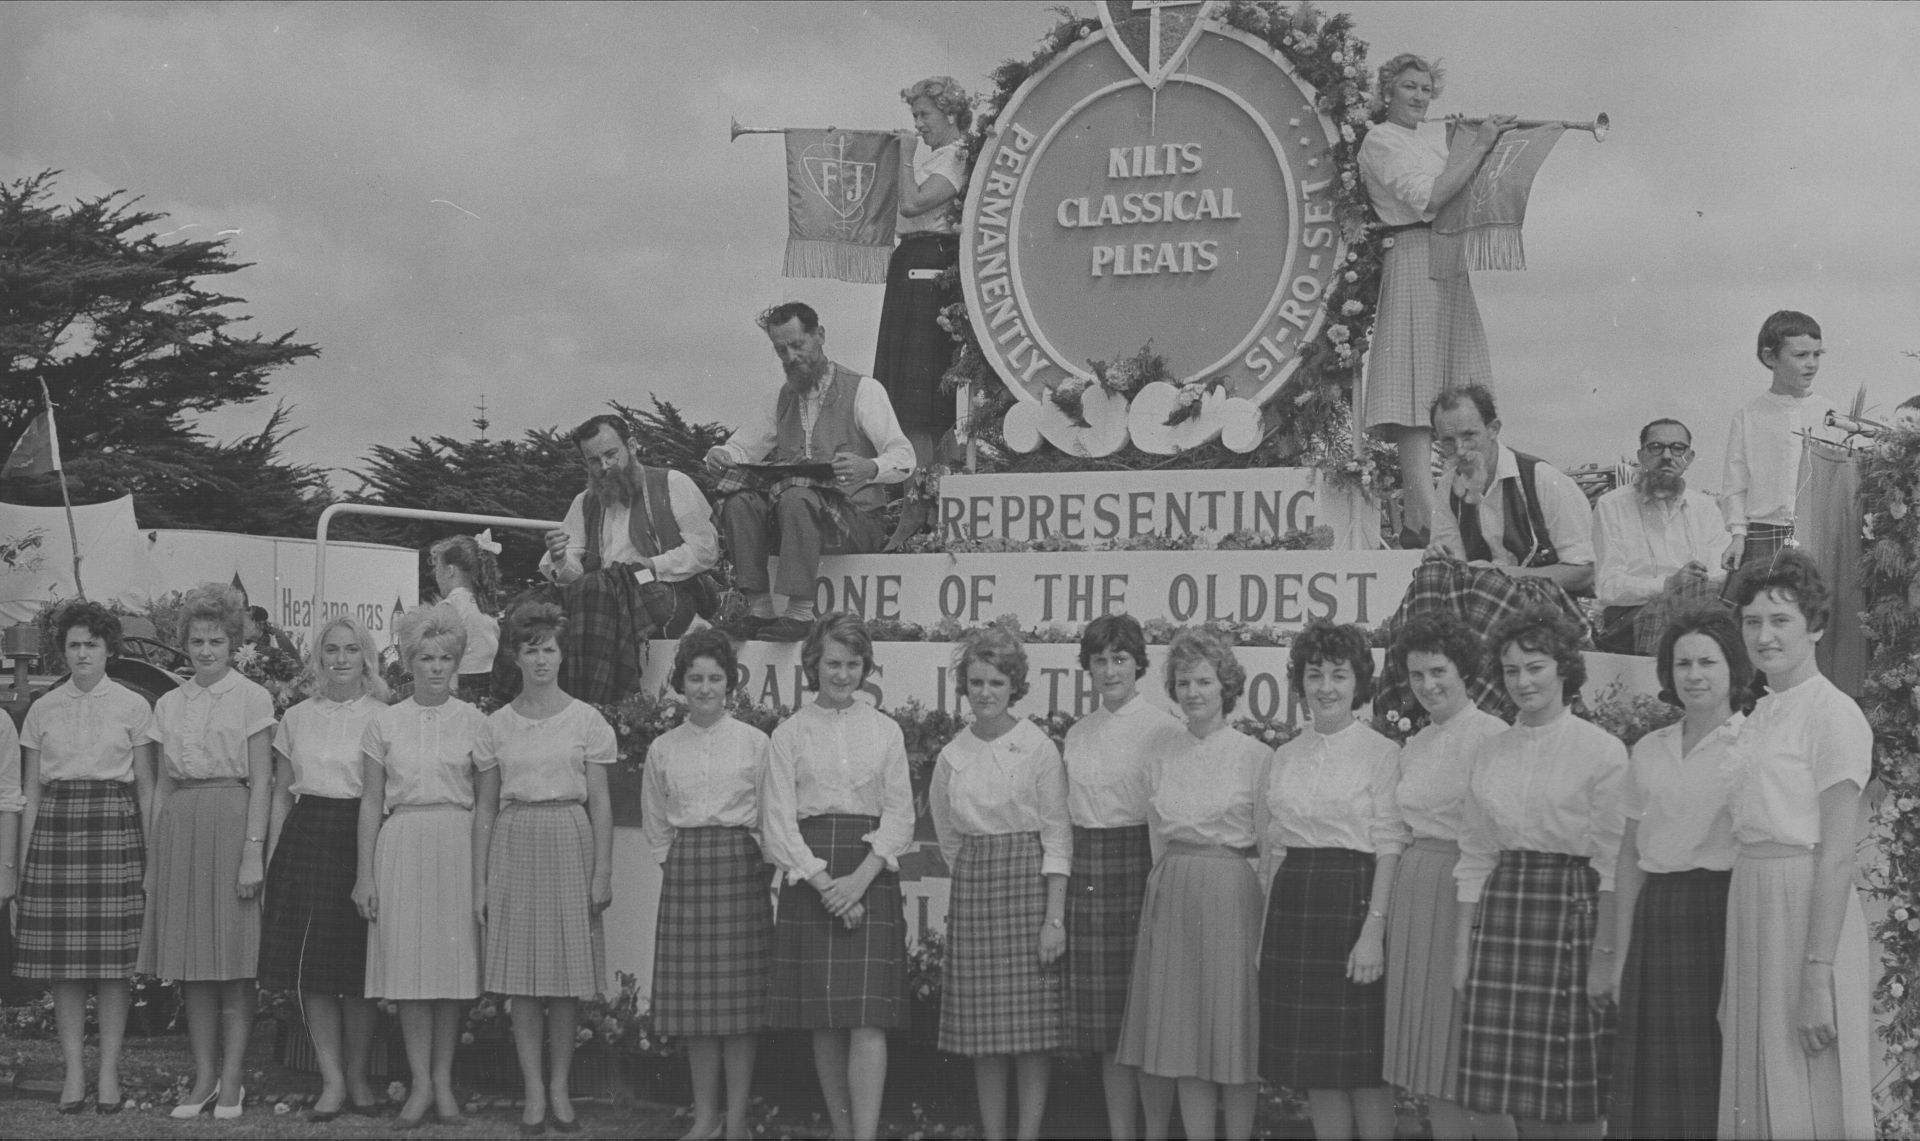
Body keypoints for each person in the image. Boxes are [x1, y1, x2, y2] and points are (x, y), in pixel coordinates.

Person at [1453, 605, 1626, 1136]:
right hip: (1505, 913)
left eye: (1536, 666)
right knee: (1492, 1097)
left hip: (1572, 915)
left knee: (1570, 1096)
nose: (1523, 681)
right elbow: (1476, 855)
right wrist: (1462, 952)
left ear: (1563, 668)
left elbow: (1613, 863)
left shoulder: (1602, 751)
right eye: (1511, 670)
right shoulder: (1491, 751)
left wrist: (1604, 956)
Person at [1717, 549, 1873, 1137]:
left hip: (1806, 908)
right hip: (1752, 899)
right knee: (1758, 1085)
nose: (1764, 635)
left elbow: (1836, 855)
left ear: (1815, 626)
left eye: (1780, 620)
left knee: (1808, 1088)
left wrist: (1816, 977)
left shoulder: (1834, 715)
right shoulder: (1761, 713)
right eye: (1752, 621)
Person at [761, 613, 913, 1141]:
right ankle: (843, 1131)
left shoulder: (885, 730)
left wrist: (858, 882)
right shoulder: (790, 733)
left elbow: (900, 816)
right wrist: (827, 885)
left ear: (865, 667)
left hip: (870, 872)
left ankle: (865, 1136)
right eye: (833, 663)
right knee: (824, 1017)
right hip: (812, 874)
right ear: (813, 664)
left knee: (867, 1018)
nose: (842, 674)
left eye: (852, 664)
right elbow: (778, 821)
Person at [1114, 629, 1270, 1141]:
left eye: (1204, 680)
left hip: (1231, 892)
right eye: (1183, 682)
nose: (1193, 692)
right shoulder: (1162, 753)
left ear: (1226, 685)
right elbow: (1158, 838)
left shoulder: (1253, 755)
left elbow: (1269, 849)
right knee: (1183, 1034)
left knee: (1231, 1031)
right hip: (1174, 891)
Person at [1258, 621, 1407, 1141]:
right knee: (1316, 1068)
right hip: (1295, 903)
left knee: (1364, 1069)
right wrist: (1262, 937)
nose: (1325, 687)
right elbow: (1276, 847)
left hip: (1352, 899)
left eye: (1338, 675)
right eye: (1314, 674)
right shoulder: (1285, 755)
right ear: (1299, 683)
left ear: (1357, 682)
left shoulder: (1381, 753)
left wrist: (1374, 932)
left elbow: (1390, 846)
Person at [1358, 53, 1514, 546]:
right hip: (1412, 253)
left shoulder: (1423, 142)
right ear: (1388, 92)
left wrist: (1470, 145)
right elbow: (1432, 196)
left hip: (1446, 258)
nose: (1420, 97)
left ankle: (1449, 508)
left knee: (1453, 388)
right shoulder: (1381, 140)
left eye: (1426, 89)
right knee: (1414, 389)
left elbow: (1461, 191)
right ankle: (1423, 515)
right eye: (1409, 87)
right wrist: (1481, 143)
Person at [473, 601, 617, 1135]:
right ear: (515, 655)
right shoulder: (496, 726)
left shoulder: (588, 720)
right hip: (515, 839)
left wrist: (602, 870)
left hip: (569, 838)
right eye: (530, 649)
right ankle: (533, 1090)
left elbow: (600, 802)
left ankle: (560, 1088)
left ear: (562, 653)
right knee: (524, 981)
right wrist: (480, 882)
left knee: (562, 981)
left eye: (549, 648)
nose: (540, 659)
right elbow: (486, 807)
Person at [1609, 609, 1748, 1139]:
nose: (1694, 674)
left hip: (1720, 911)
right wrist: (1622, 955)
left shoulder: (1752, 744)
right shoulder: (1649, 748)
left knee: (1710, 1069)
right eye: (1682, 663)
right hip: (1656, 914)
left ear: (1733, 667)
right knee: (1653, 1080)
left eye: (1707, 662)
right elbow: (1628, 857)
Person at [13, 601, 156, 1116]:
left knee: (115, 965)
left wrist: (150, 857)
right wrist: (24, 864)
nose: (82, 654)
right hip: (55, 828)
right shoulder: (43, 710)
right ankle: (74, 1070)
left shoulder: (134, 706)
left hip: (115, 829)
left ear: (108, 648)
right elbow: (30, 789)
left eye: (91, 644)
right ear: (63, 650)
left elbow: (145, 788)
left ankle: (109, 1070)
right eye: (73, 645)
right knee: (66, 966)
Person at [930, 627, 1070, 1141]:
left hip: (1028, 887)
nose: (985, 692)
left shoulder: (1037, 748)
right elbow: (948, 836)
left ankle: (1028, 1133)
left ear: (1015, 685)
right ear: (964, 687)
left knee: (1031, 1032)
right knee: (983, 1032)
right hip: (975, 890)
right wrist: (974, 873)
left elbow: (1057, 836)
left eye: (995, 681)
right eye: (975, 682)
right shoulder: (952, 755)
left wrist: (1053, 919)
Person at [705, 303, 916, 642]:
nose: (790, 357)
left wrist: (870, 467)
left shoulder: (864, 390)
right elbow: (741, 449)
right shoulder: (778, 398)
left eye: (797, 345)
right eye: (781, 350)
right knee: (740, 499)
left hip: (855, 519)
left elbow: (905, 456)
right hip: (796, 520)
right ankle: (759, 609)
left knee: (797, 494)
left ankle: (800, 613)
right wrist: (721, 454)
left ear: (819, 335)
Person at [353, 602, 488, 1129]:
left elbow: (486, 805)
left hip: (456, 839)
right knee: (409, 970)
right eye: (425, 657)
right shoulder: (383, 724)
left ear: (456, 662)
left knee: (452, 971)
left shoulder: (478, 723)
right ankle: (419, 1083)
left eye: (445, 657)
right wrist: (365, 874)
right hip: (403, 840)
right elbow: (370, 802)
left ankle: (445, 1081)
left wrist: (482, 877)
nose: (435, 666)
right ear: (409, 662)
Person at [144, 585, 277, 1121]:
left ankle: (235, 1077)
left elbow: (264, 780)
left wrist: (252, 852)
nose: (205, 650)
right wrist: (156, 859)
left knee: (234, 963)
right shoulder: (169, 703)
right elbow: (161, 787)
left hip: (231, 820)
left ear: (233, 641)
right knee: (194, 963)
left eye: (216, 640)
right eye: (197, 641)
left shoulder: (252, 698)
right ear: (186, 644)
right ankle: (202, 1076)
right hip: (182, 827)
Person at [1382, 614, 1513, 1141]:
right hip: (1416, 893)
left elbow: (1496, 840)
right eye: (1416, 676)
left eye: (1438, 671)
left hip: (1467, 895)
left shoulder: (1493, 736)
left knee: (1472, 1061)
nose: (1428, 685)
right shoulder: (1414, 744)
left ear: (1464, 670)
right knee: (1432, 1060)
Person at [641, 629, 774, 1141]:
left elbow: (768, 815)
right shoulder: (663, 747)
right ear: (680, 682)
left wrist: (756, 862)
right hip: (688, 870)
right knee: (698, 1008)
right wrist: (674, 863)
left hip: (740, 870)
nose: (704, 687)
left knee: (738, 1010)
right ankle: (704, 1116)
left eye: (714, 677)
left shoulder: (754, 743)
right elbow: (656, 823)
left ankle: (737, 1120)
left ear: (730, 683)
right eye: (695, 677)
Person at [260, 616, 389, 1121]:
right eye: (331, 650)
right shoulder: (296, 717)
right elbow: (279, 797)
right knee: (313, 970)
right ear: (318, 658)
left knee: (357, 968)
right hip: (306, 835)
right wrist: (272, 860)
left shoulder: (383, 716)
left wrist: (368, 867)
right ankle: (331, 1080)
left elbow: (379, 797)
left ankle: (358, 1077)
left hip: (360, 835)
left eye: (351, 650)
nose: (340, 659)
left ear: (367, 658)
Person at [1061, 614, 1181, 1141]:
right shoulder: (1077, 733)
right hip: (1090, 869)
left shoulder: (1163, 728)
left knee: (1148, 1018)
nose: (1109, 671)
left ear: (1139, 664)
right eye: (1099, 660)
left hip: (1143, 866)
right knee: (1108, 1022)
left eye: (1120, 659)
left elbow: (1167, 815)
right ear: (1087, 666)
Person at [540, 413, 721, 702]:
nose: (605, 467)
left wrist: (653, 564)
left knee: (597, 591)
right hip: (603, 591)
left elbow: (707, 548)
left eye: (611, 455)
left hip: (665, 588)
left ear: (633, 446)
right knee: (530, 611)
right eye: (594, 461)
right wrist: (560, 558)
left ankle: (597, 704)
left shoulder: (672, 483)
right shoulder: (584, 501)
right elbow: (571, 571)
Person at [877, 76, 971, 468]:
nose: (917, 124)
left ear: (949, 113)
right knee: (914, 405)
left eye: (923, 114)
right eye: (914, 116)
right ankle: (930, 495)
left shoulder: (956, 154)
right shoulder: (936, 156)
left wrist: (904, 154)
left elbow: (914, 203)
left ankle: (924, 501)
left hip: (928, 271)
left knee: (919, 405)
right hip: (912, 266)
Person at [1427, 386, 1594, 592]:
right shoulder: (1448, 486)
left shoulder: (1542, 479)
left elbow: (1583, 573)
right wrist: (1442, 562)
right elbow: (1456, 568)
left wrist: (1501, 575)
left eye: (1469, 435)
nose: (1460, 450)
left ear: (1493, 429)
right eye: (1448, 440)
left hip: (1549, 613)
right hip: (1485, 609)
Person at [1591, 419, 1730, 653]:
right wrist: (1668, 585)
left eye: (1678, 449)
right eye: (1656, 447)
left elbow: (1719, 574)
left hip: (1698, 612)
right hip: (1628, 620)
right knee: (1675, 612)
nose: (1667, 456)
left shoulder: (1705, 507)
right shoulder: (1611, 505)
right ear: (1641, 455)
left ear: (1690, 457)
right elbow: (1607, 586)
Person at [1720, 310, 1840, 574]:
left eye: (1817, 354)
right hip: (1764, 533)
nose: (1812, 364)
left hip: (1818, 534)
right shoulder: (1748, 415)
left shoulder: (1830, 414)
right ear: (1769, 357)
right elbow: (1735, 484)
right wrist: (1738, 535)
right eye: (1800, 355)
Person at [430, 534, 501, 702]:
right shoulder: (486, 605)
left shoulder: (450, 606)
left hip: (460, 687)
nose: (435, 576)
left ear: (450, 571)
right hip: (489, 688)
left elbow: (442, 658)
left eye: (437, 569)